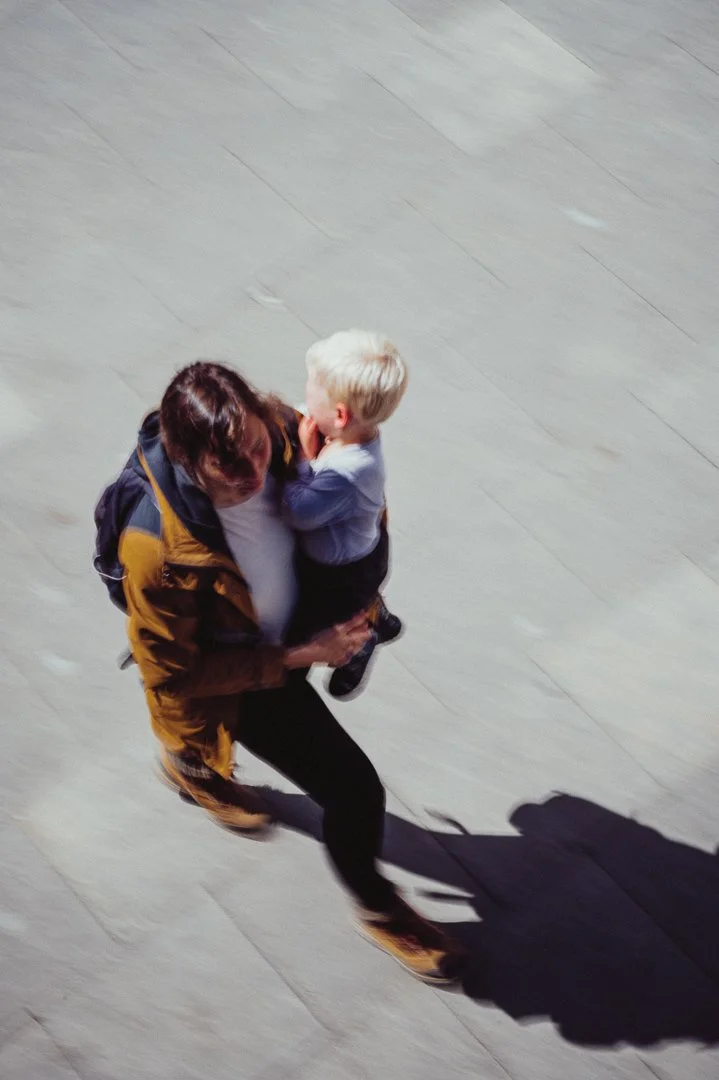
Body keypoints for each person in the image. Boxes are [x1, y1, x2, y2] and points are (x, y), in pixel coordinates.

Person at [107, 359, 463, 984]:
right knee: (356, 791)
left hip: (300, 634)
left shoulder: (277, 426)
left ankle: (192, 765)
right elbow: (174, 676)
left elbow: (342, 482)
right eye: (230, 466)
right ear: (190, 462)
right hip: (248, 674)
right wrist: (299, 658)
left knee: (308, 773)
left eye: (255, 447)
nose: (253, 471)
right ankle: (379, 908)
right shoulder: (155, 549)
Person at [282, 330, 405, 699]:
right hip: (362, 551)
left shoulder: (348, 472)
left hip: (337, 576)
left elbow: (298, 511)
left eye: (310, 391)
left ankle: (361, 640)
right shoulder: (354, 434)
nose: (303, 402)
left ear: (339, 414)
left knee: (306, 628)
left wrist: (303, 460)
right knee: (353, 603)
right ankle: (374, 614)